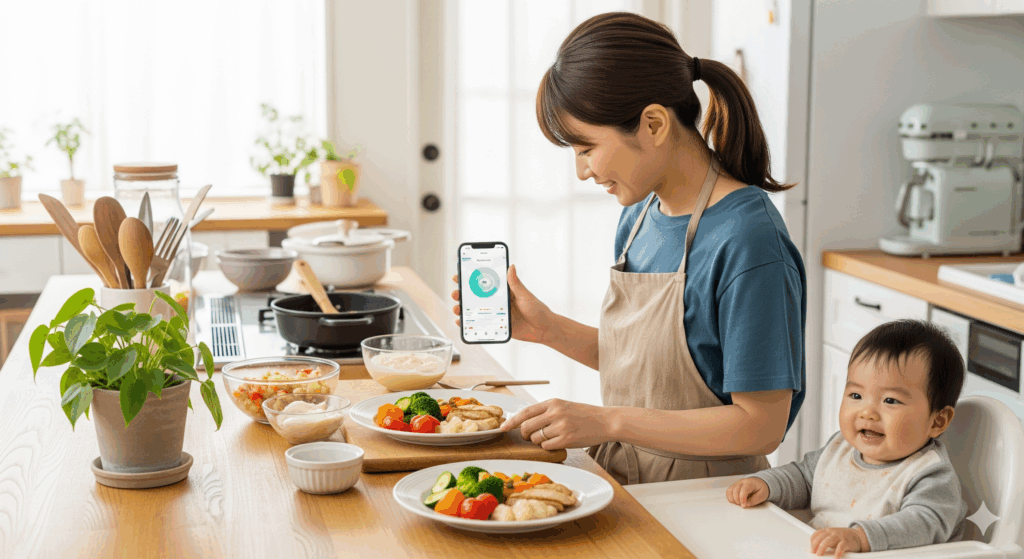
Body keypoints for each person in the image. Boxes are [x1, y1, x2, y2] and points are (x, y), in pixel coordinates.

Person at [451, 12, 806, 485]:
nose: (582, 171)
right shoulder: (640, 216)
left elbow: (761, 425)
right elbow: (653, 372)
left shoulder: (748, 242)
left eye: (585, 148)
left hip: (708, 501)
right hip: (625, 482)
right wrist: (549, 329)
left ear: (653, 124)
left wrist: (607, 421)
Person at [726, 320, 967, 557]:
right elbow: (803, 477)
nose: (867, 412)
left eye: (890, 400)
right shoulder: (839, 448)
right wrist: (767, 484)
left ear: (938, 421)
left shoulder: (930, 474)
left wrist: (860, 538)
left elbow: (924, 524)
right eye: (856, 395)